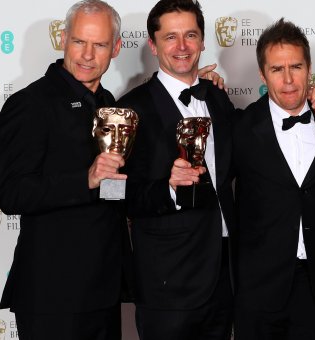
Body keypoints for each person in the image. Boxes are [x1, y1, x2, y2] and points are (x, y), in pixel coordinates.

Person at [0, 1, 129, 339]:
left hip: (104, 289)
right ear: (62, 39)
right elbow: (12, 194)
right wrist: (85, 179)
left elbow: (113, 192)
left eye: (98, 44)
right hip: (52, 293)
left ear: (115, 48)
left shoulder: (109, 103)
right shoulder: (30, 104)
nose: (87, 54)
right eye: (78, 42)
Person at [117, 0, 235, 339]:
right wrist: (167, 188)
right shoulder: (130, 109)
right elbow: (111, 193)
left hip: (223, 276)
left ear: (201, 42)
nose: (182, 47)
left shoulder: (218, 98)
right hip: (167, 281)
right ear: (153, 45)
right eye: (170, 37)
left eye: (190, 35)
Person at [230, 18, 315, 339]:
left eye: (296, 66)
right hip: (258, 290)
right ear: (262, 74)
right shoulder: (240, 128)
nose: (289, 79)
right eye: (277, 69)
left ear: (309, 69)